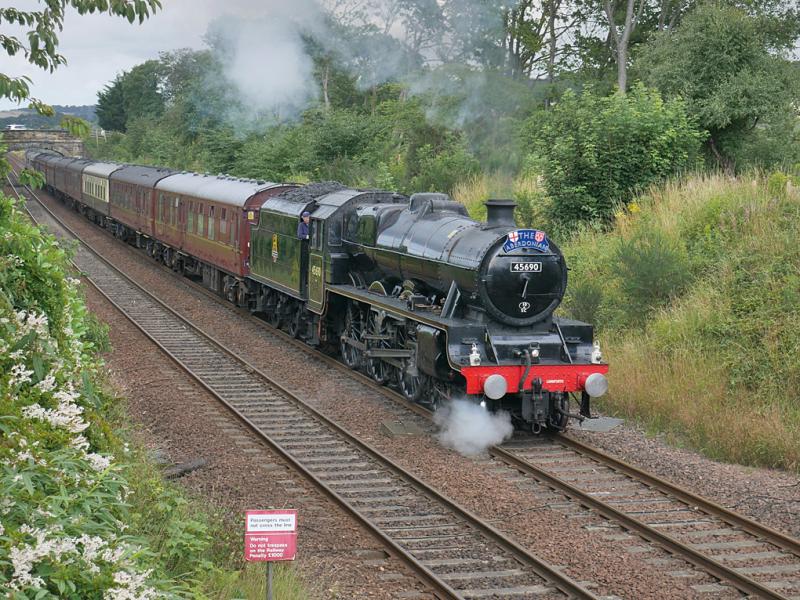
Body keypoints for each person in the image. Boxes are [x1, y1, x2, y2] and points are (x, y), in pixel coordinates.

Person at [297, 211, 311, 295]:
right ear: (303, 218)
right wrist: (307, 236)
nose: (307, 219)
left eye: (308, 217)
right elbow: (299, 235)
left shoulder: (312, 225)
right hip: (305, 246)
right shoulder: (301, 225)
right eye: (305, 217)